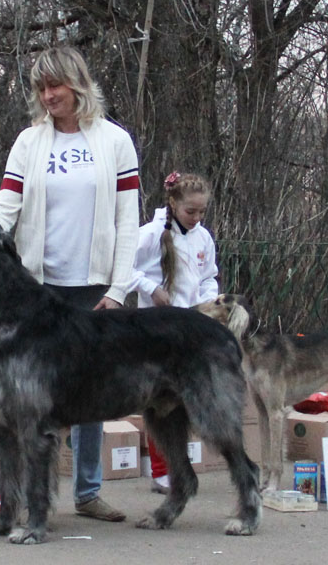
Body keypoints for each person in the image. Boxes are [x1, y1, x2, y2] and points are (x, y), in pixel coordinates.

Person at [0, 46, 140, 521]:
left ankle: (88, 491)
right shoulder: (29, 142)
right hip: (37, 287)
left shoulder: (115, 141)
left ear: (77, 85)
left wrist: (118, 289)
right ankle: (33, 497)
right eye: (41, 88)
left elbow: (128, 220)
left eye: (55, 86)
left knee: (90, 389)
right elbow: (5, 209)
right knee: (30, 392)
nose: (48, 95)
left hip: (94, 285)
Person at [129, 170, 219, 493]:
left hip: (190, 329)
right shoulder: (150, 234)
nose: (196, 218)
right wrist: (151, 288)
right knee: (157, 401)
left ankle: (178, 464)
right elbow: (124, 267)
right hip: (154, 330)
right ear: (173, 203)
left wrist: (209, 302)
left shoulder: (203, 238)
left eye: (201, 212)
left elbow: (209, 276)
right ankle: (161, 470)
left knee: (184, 400)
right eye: (190, 211)